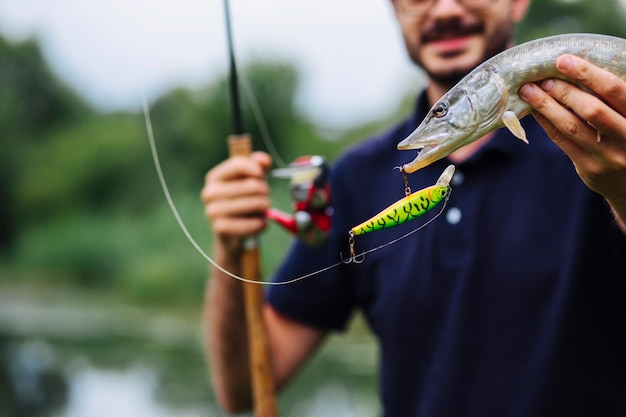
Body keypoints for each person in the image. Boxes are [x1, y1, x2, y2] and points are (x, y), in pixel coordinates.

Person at [201, 0, 626, 415]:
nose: (443, 9)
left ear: (517, 2)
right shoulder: (356, 176)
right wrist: (231, 247)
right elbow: (244, 388)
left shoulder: (605, 143)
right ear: (394, 9)